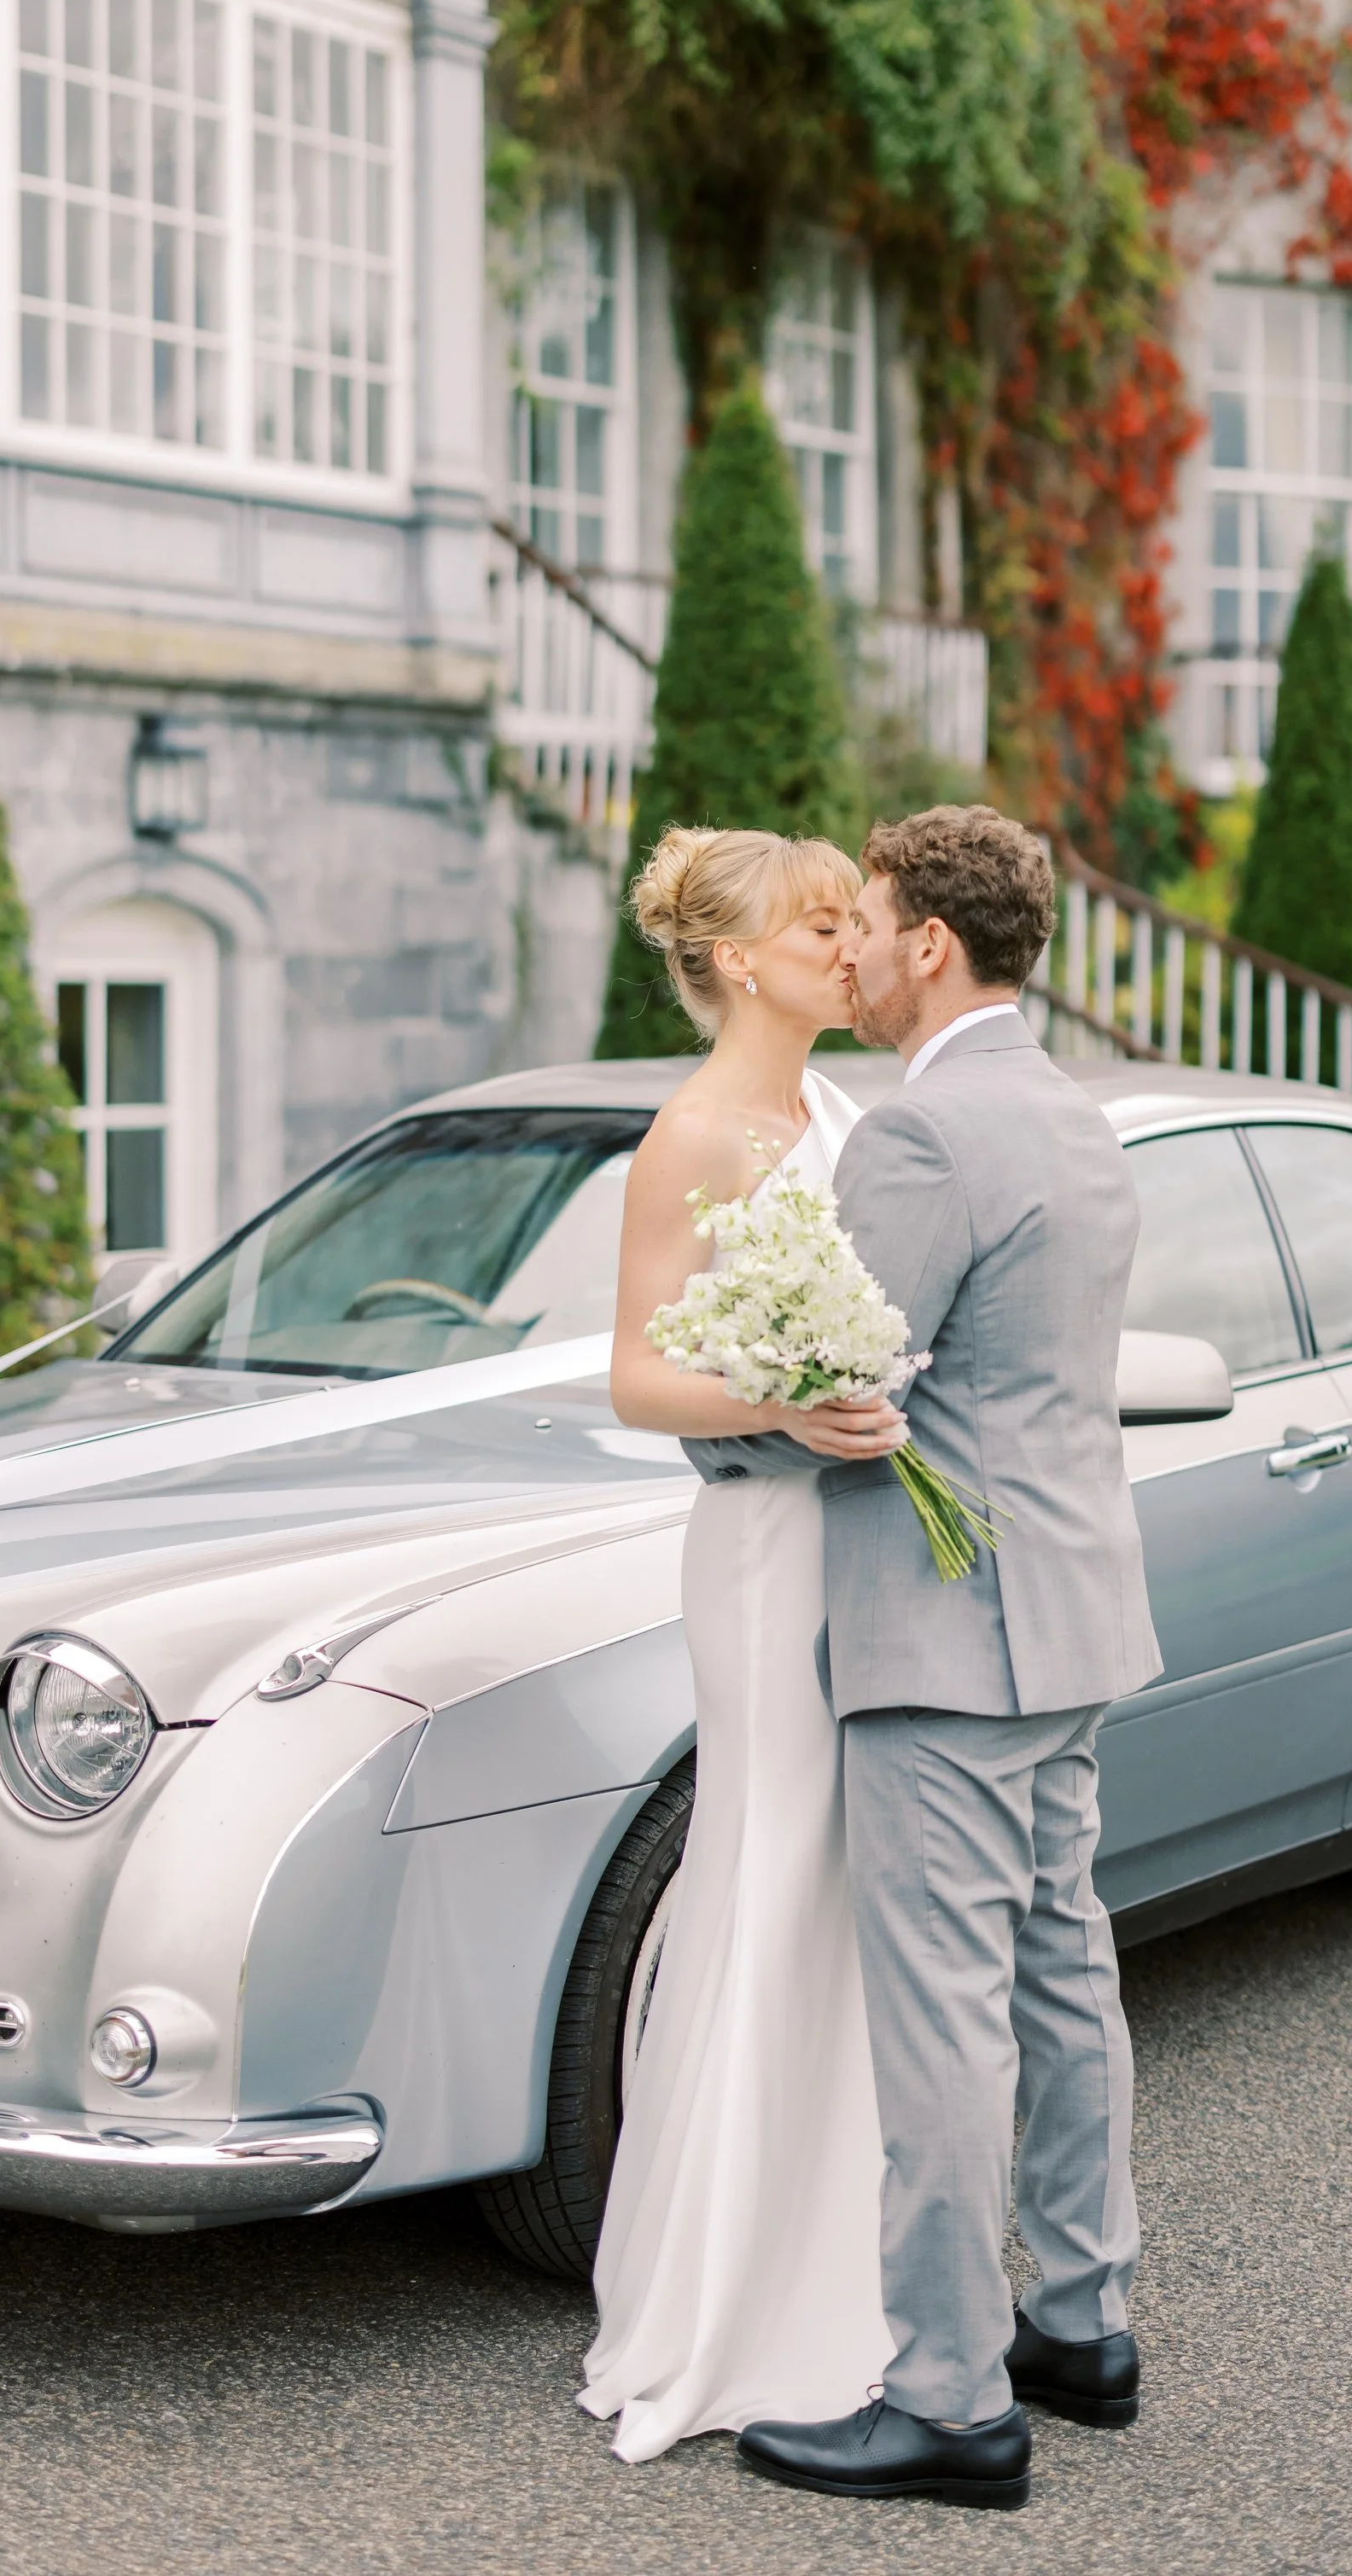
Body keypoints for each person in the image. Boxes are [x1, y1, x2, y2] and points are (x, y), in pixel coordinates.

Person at [726, 805, 1163, 2511]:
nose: (855, 949)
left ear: (929, 946)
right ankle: (1081, 2317)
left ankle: (947, 2399)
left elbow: (842, 1378)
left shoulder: (917, 1138)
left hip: (948, 1630)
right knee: (1062, 1970)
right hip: (1069, 1621)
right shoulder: (1072, 1115)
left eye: (874, 921)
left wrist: (724, 1423)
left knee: (945, 2016)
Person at [579, 823, 904, 2462]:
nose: (852, 945)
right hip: (768, 1554)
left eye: (855, 920)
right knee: (767, 1876)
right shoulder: (696, 1136)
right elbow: (639, 1379)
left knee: (839, 1896)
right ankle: (727, 2313)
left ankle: (844, 2278)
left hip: (858, 1535)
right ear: (733, 961)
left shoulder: (832, 1111)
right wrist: (786, 1400)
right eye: (821, 924)